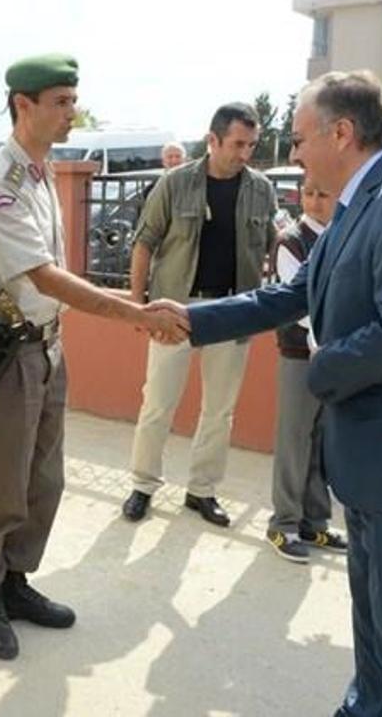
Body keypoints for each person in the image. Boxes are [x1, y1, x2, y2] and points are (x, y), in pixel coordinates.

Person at [147, 70, 382, 716]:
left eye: (300, 137)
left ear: (342, 132)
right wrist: (193, 319)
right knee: (373, 628)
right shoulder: (360, 202)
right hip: (372, 460)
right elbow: (293, 293)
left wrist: (319, 370)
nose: (294, 153)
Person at [0, 53, 186, 662]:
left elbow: (55, 280)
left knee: (43, 479)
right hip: (4, 353)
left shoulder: (40, 174)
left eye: (73, 100)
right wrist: (136, 313)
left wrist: (129, 305)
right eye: (60, 102)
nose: (72, 112)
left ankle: (15, 581)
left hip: (44, 346)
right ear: (23, 105)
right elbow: (43, 276)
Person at [122, 103, 278, 527]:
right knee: (158, 403)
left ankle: (202, 491)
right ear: (213, 140)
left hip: (233, 311)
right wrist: (138, 306)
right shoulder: (175, 183)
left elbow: (274, 244)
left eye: (251, 145)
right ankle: (143, 485)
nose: (245, 153)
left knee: (219, 411)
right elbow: (144, 243)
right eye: (237, 144)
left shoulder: (261, 189)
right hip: (175, 308)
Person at [265, 178, 347, 563]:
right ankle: (283, 523)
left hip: (332, 354)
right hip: (301, 353)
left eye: (323, 194)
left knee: (320, 441)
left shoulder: (342, 235)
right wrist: (329, 339)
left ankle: (315, 521)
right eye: (309, 194)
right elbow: (298, 304)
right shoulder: (291, 241)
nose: (315, 201)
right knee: (294, 440)